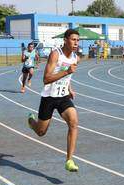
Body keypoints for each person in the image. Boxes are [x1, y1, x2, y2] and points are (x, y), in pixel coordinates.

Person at [28, 29, 80, 172]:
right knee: (41, 132)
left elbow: (67, 77)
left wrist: (69, 88)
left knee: (74, 122)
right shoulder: (56, 54)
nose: (76, 42)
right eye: (73, 39)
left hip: (63, 97)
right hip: (49, 98)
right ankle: (32, 122)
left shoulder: (76, 58)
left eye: (77, 40)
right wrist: (67, 71)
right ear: (65, 40)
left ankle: (69, 160)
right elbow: (46, 79)